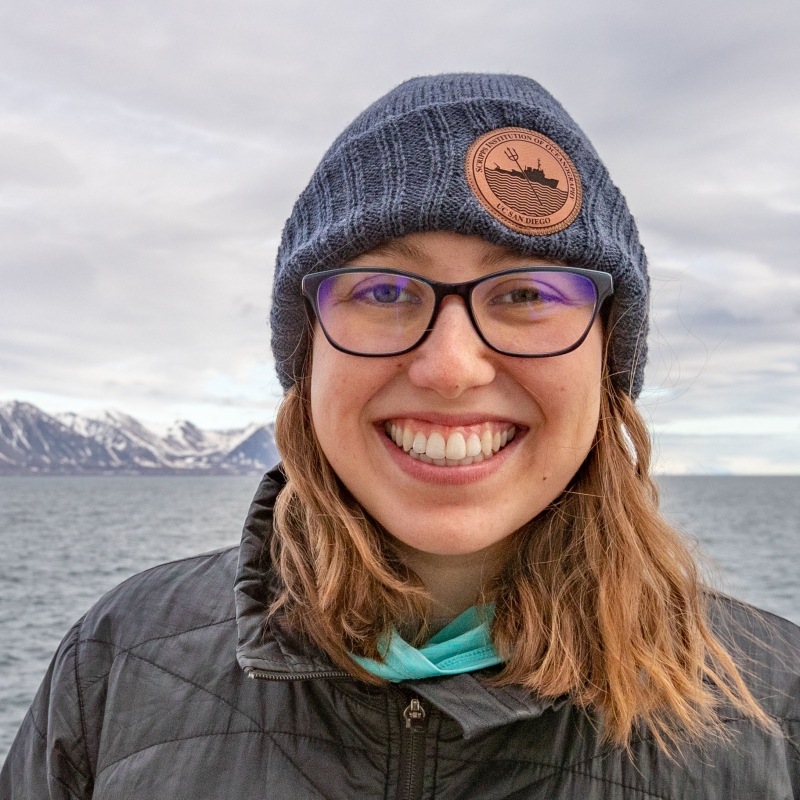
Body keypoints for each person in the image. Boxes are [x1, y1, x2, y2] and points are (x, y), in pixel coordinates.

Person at [2, 73, 799, 800]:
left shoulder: (778, 710)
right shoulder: (118, 666)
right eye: (383, 289)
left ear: (608, 359)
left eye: (525, 292)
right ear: (306, 356)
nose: (451, 367)